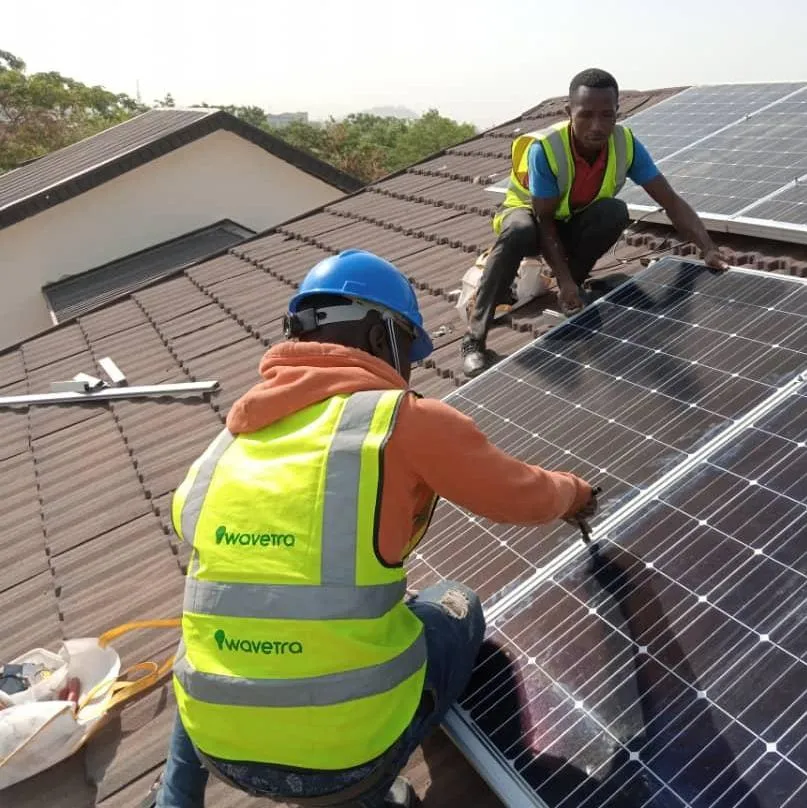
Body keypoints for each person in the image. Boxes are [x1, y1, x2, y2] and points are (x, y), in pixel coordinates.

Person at [146, 249, 599, 808]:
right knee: (455, 604)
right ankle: (365, 794)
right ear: (384, 337)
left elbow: (190, 520)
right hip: (342, 763)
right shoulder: (399, 420)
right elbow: (519, 496)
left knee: (213, 652)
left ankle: (174, 801)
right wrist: (574, 492)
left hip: (220, 750)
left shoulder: (226, 448)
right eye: (408, 349)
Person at [461, 67, 730, 379]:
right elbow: (544, 221)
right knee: (520, 229)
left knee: (614, 211)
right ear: (568, 112)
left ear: (617, 112)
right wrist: (560, 280)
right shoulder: (547, 149)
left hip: (569, 221)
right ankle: (474, 340)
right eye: (586, 115)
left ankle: (572, 293)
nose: (597, 126)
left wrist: (707, 249)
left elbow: (669, 200)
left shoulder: (625, 144)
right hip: (530, 220)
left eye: (606, 115)